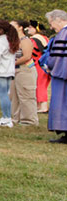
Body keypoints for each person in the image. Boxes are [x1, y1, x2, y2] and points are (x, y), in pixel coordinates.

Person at [41, 9, 67, 144]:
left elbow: (56, 57)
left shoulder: (63, 34)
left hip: (62, 74)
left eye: (51, 23)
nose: (51, 27)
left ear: (58, 20)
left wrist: (49, 66)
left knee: (62, 104)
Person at [8, 20, 39, 128]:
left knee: (26, 96)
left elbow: (26, 56)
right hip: (14, 71)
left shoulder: (25, 40)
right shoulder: (12, 40)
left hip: (25, 70)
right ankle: (16, 118)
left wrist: (11, 63)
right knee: (14, 96)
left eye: (12, 25)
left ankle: (29, 120)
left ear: (20, 27)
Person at [26, 19, 51, 115]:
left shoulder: (34, 39)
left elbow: (32, 54)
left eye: (30, 27)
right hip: (45, 65)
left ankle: (43, 107)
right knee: (42, 85)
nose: (28, 29)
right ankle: (40, 106)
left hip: (38, 65)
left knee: (40, 86)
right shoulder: (45, 38)